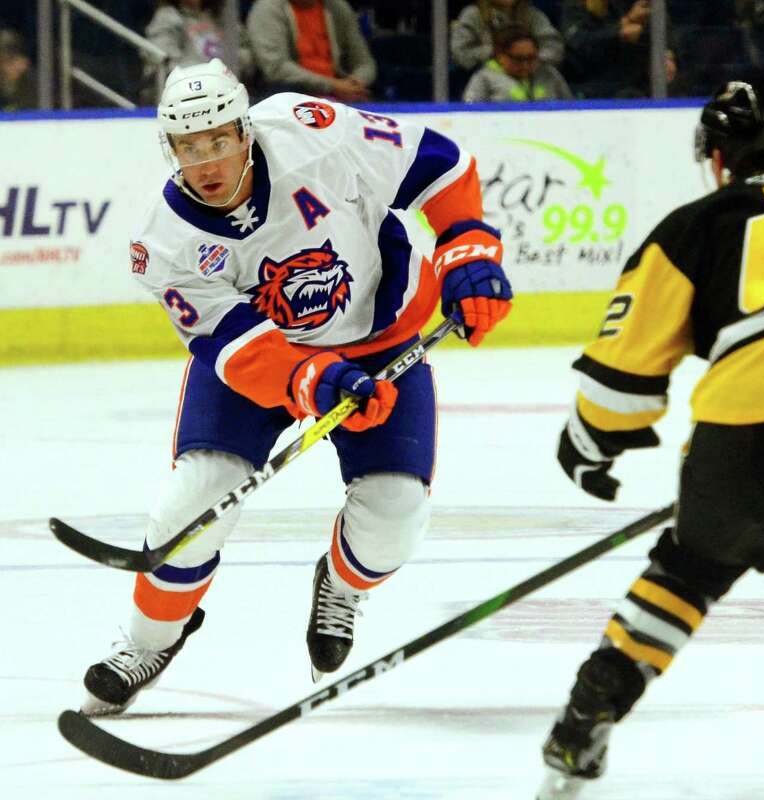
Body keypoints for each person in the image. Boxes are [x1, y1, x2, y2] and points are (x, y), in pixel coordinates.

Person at [79, 58, 513, 716]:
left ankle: (340, 586)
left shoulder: (317, 133)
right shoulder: (162, 242)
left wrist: (467, 248)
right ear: (169, 149)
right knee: (192, 505)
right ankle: (148, 641)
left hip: (380, 338)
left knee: (395, 515)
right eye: (190, 147)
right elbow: (234, 344)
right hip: (259, 366)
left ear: (246, 132)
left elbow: (439, 163)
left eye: (219, 139)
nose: (208, 162)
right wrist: (313, 378)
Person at [536, 76, 764, 799]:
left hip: (744, 431)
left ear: (720, 155)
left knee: (688, 572)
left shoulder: (694, 224)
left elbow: (621, 376)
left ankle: (596, 699)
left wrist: (592, 445)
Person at [246, 0, 377, 102]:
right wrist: (333, 86)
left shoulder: (338, 7)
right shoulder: (267, 9)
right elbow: (275, 68)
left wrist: (356, 83)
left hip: (341, 95)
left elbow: (364, 62)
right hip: (291, 97)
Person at [141, 0, 255, 104]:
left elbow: (244, 48)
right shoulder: (167, 16)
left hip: (227, 88)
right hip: (188, 95)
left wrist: (230, 68)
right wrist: (203, 76)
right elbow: (163, 58)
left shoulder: (221, 15)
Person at [560, 0, 670, 97]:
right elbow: (579, 43)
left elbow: (662, 32)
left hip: (632, 84)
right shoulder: (575, 7)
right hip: (588, 83)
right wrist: (621, 27)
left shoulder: (624, 5)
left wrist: (667, 54)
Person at [463, 24, 573, 102]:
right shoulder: (483, 79)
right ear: (500, 56)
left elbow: (571, 109)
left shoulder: (550, 74)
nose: (525, 65)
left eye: (531, 58)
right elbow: (470, 116)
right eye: (518, 59)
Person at [451, 0, 565, 73]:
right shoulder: (472, 15)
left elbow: (554, 48)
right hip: (488, 78)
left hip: (532, 77)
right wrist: (497, 54)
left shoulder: (532, 15)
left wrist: (529, 61)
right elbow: (462, 55)